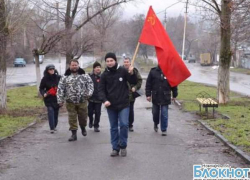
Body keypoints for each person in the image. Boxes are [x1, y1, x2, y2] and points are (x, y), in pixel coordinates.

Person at [99, 52, 137, 157]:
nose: (110, 63)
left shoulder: (123, 71)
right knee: (114, 127)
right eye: (107, 61)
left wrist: (131, 73)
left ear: (115, 60)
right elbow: (101, 90)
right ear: (105, 62)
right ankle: (115, 148)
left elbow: (133, 81)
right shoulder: (104, 75)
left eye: (111, 60)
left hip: (123, 104)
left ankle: (123, 145)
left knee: (124, 124)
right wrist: (104, 100)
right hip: (111, 105)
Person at [57, 59, 94, 141]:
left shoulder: (84, 76)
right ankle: (74, 134)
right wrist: (60, 100)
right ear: (70, 66)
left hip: (82, 101)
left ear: (78, 65)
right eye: (72, 65)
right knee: (72, 118)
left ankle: (83, 127)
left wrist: (89, 94)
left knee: (83, 117)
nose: (74, 67)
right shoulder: (65, 77)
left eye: (75, 65)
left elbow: (90, 85)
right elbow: (60, 89)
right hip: (70, 101)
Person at [145, 65, 178, 136]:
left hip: (165, 96)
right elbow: (148, 84)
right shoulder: (153, 71)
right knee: (155, 113)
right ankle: (156, 123)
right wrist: (148, 95)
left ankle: (164, 129)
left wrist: (175, 95)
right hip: (155, 96)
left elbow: (174, 84)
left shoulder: (170, 72)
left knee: (164, 113)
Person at [39, 64, 61, 134]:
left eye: (53, 69)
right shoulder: (44, 79)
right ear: (47, 70)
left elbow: (63, 86)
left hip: (57, 98)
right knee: (50, 111)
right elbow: (41, 88)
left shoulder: (58, 77)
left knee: (56, 112)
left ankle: (54, 125)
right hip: (48, 98)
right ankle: (52, 128)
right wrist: (43, 94)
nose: (52, 71)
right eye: (50, 69)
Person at [123, 57, 142, 132]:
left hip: (131, 94)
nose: (126, 63)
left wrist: (135, 87)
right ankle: (123, 124)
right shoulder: (120, 71)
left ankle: (130, 124)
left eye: (127, 62)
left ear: (130, 63)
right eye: (125, 62)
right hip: (122, 95)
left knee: (130, 110)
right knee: (123, 110)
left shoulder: (134, 71)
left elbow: (139, 81)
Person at [88, 61, 102, 132]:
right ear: (94, 68)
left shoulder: (102, 77)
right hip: (90, 98)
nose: (98, 68)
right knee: (90, 112)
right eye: (97, 67)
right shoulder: (89, 76)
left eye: (99, 67)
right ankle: (91, 121)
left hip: (99, 98)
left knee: (98, 112)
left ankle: (96, 125)